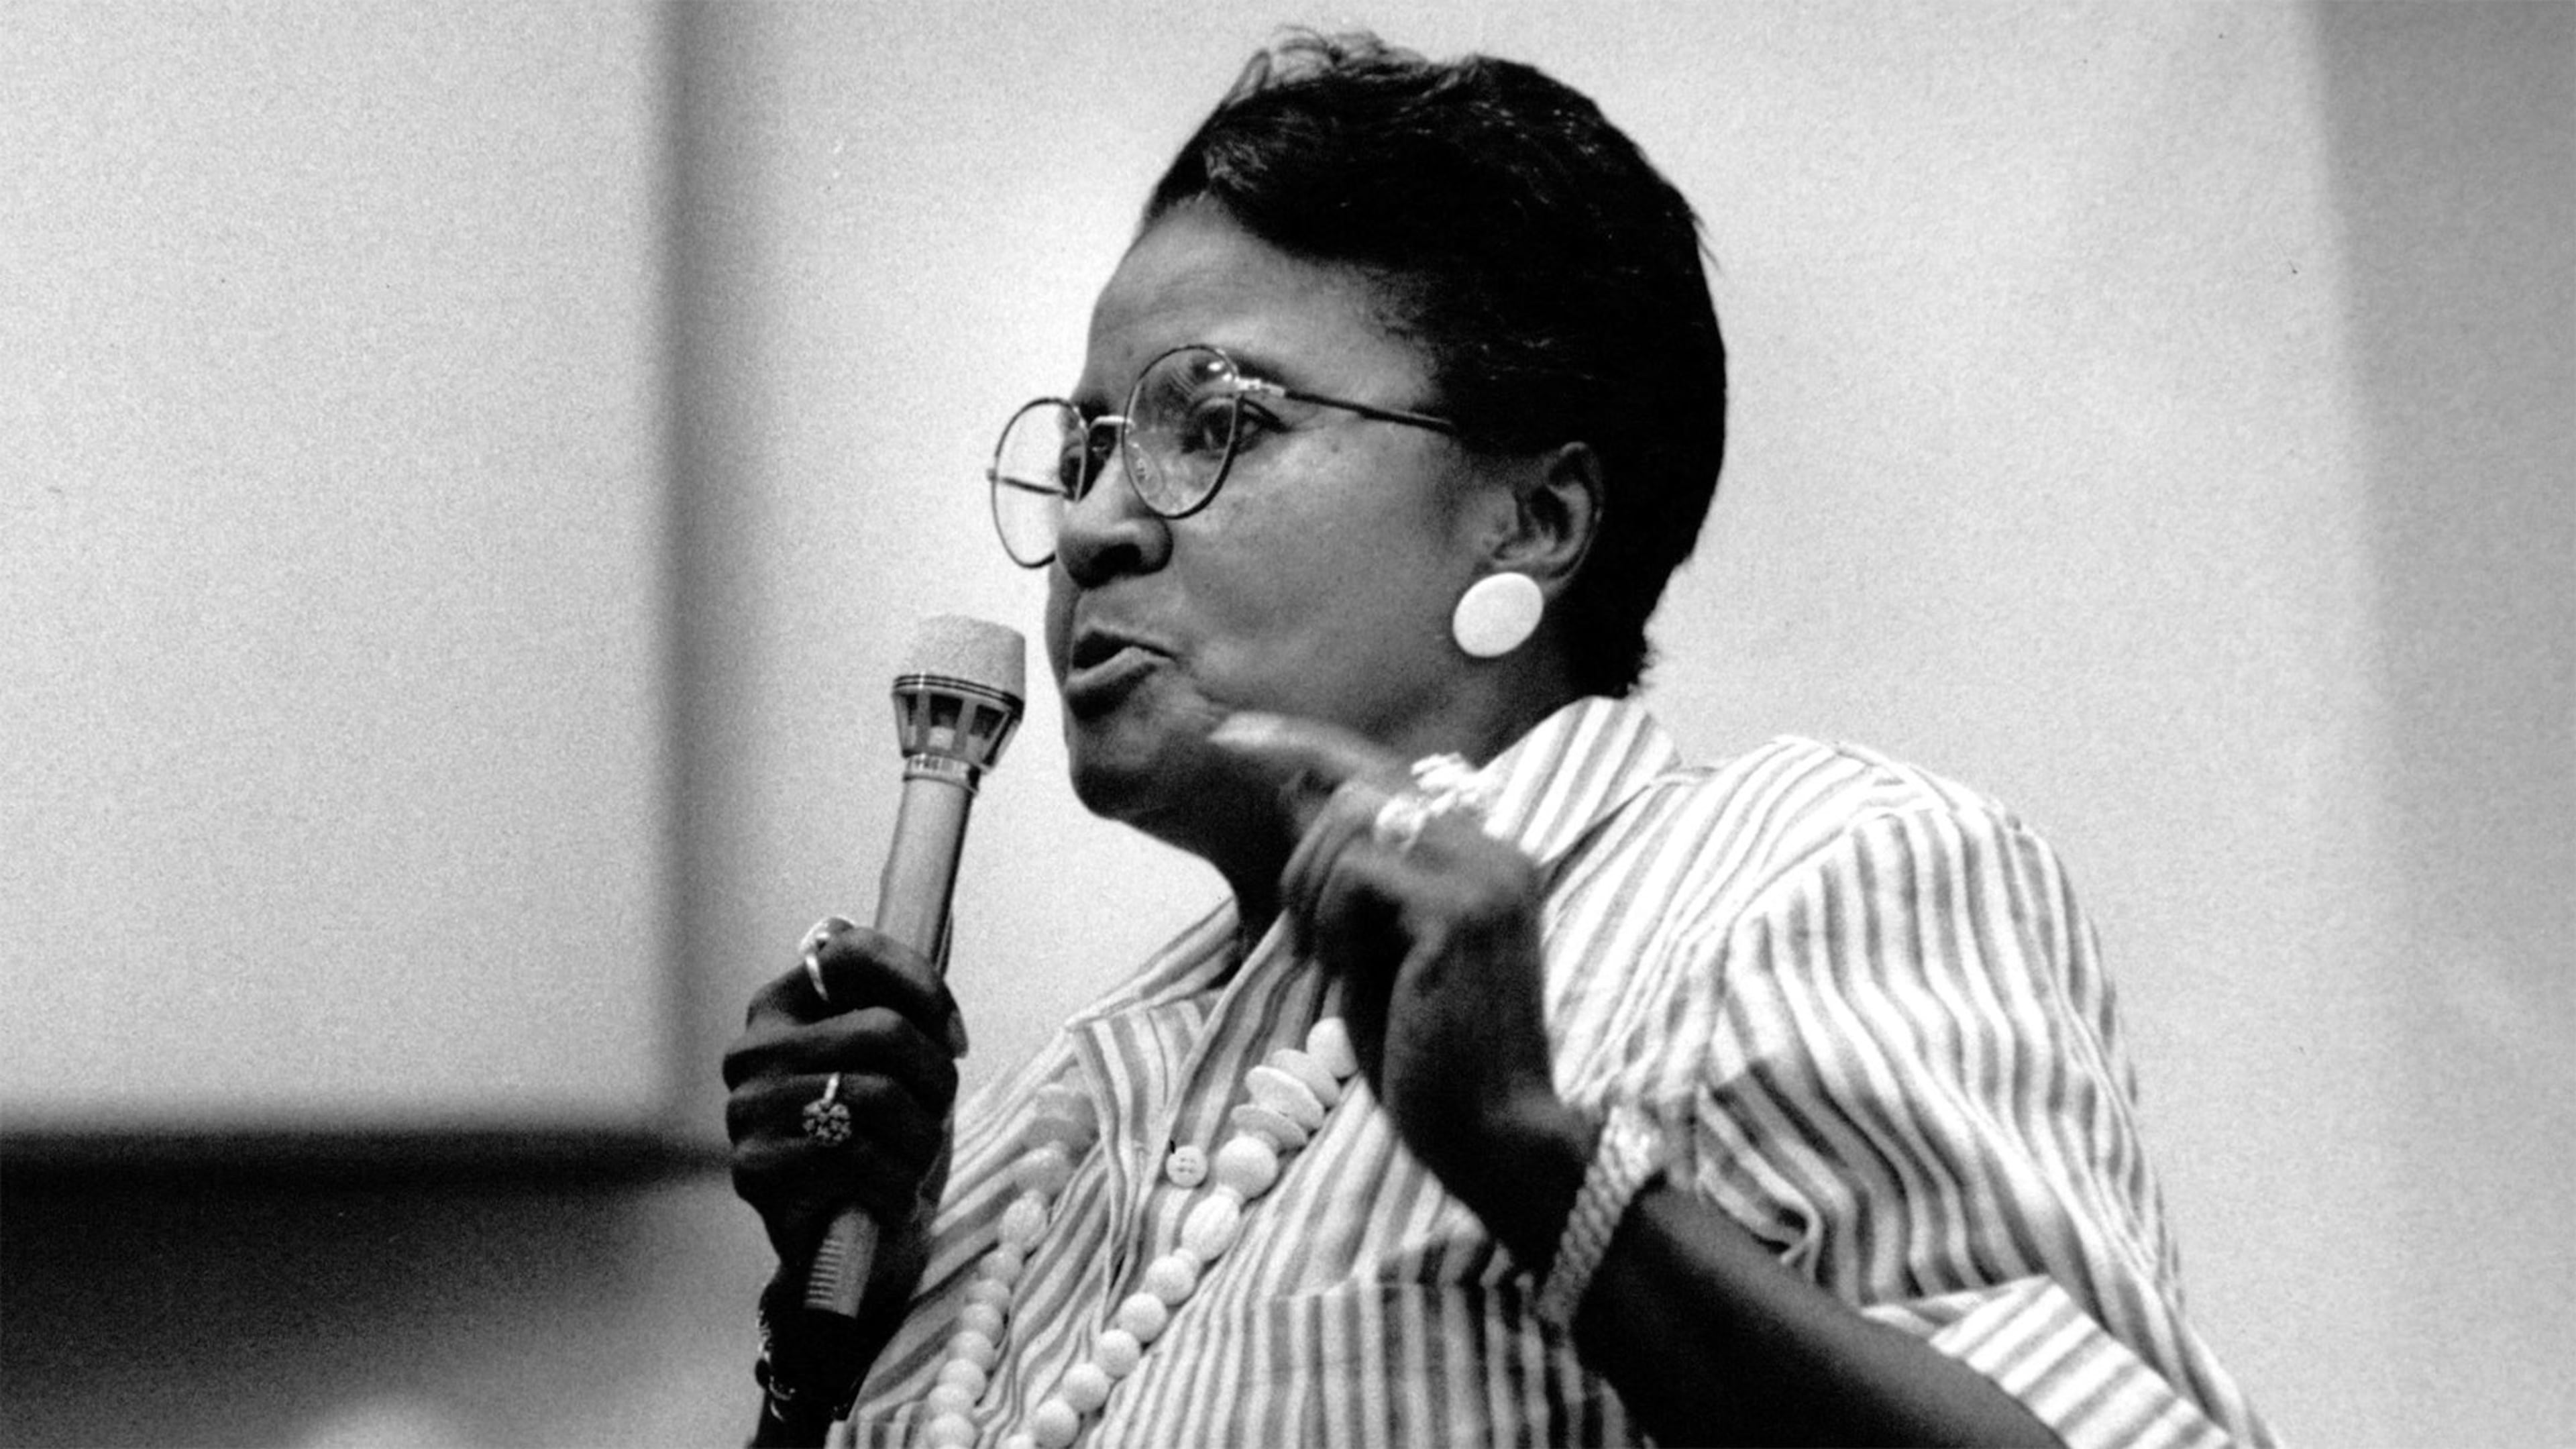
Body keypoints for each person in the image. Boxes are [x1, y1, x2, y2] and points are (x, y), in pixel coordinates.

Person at [724, 30, 2273, 1449]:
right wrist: (832, 1302)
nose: (1090, 526)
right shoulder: (1041, 1130)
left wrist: (1535, 1157)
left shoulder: (1799, 876)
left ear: (1532, 522)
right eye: (1087, 446)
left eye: (1216, 420)